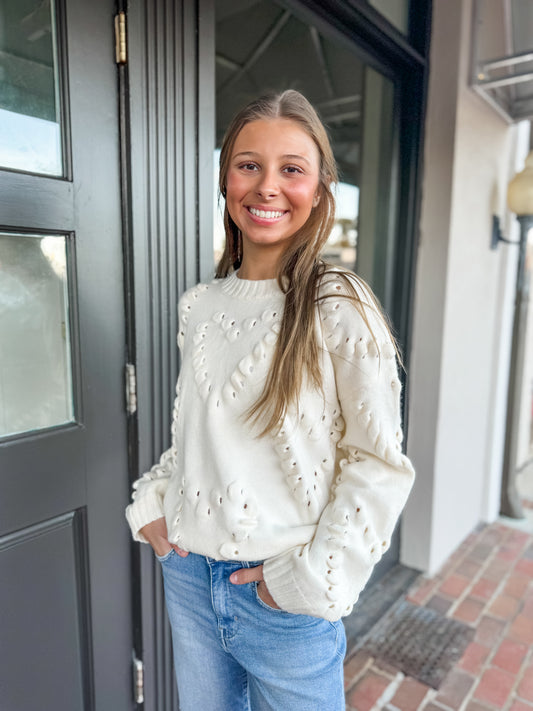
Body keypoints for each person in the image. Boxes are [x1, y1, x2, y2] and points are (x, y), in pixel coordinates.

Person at [126, 90, 415, 711]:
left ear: (319, 188)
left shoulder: (338, 305)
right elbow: (196, 438)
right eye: (248, 164)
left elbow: (378, 464)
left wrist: (308, 581)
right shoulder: (200, 306)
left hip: (282, 595)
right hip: (188, 574)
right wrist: (153, 499)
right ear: (226, 176)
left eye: (292, 169)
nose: (267, 187)